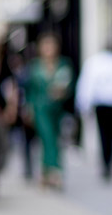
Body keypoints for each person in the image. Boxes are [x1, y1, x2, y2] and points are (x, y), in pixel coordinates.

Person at [24, 32, 74, 189]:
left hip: (56, 109)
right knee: (47, 138)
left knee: (55, 139)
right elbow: (30, 91)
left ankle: (46, 172)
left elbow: (69, 86)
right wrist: (29, 109)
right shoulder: (35, 67)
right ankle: (55, 172)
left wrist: (62, 92)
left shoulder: (63, 64)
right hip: (40, 109)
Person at [75, 46, 112, 179]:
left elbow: (87, 84)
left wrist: (84, 104)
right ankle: (109, 162)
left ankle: (107, 162)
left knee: (104, 135)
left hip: (104, 105)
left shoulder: (95, 62)